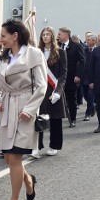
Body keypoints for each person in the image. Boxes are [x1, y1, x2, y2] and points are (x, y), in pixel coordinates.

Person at [0, 19, 46, 200]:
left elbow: (41, 85)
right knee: (8, 157)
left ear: (15, 36)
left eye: (4, 35)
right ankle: (29, 180)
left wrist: (30, 109)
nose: (1, 39)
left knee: (14, 158)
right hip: (6, 108)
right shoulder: (2, 57)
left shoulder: (34, 54)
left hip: (24, 108)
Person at [36, 27, 67, 156]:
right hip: (40, 89)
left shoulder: (60, 52)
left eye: (48, 34)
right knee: (38, 118)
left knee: (55, 119)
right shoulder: (37, 52)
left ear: (53, 36)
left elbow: (63, 74)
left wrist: (58, 92)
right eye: (43, 34)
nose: (45, 36)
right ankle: (36, 146)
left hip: (54, 89)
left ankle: (54, 145)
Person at [57, 27, 85, 128]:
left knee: (71, 99)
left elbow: (82, 61)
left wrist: (78, 75)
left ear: (66, 35)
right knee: (55, 98)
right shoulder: (56, 46)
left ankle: (72, 119)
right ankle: (56, 119)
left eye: (59, 34)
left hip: (71, 77)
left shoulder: (76, 46)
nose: (58, 36)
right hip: (57, 78)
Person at [82, 32, 97, 121]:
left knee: (90, 95)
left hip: (94, 78)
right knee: (85, 95)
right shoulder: (84, 50)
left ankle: (87, 113)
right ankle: (93, 106)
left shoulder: (98, 50)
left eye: (88, 40)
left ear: (94, 41)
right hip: (84, 77)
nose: (86, 41)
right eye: (86, 39)